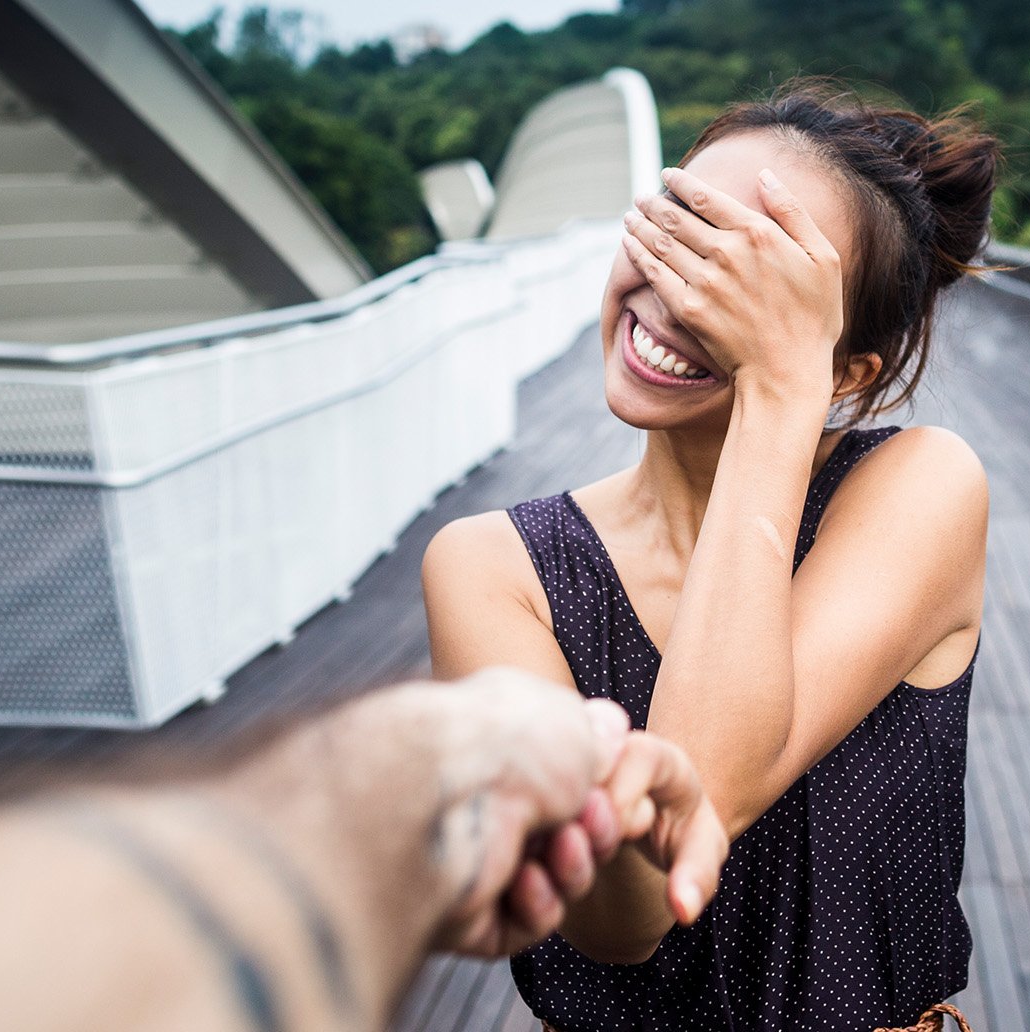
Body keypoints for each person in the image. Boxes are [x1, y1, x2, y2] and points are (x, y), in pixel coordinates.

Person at [422, 79, 998, 1031]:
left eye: (755, 278)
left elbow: (697, 805)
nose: (681, 294)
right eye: (679, 229)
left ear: (848, 371)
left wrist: (780, 389)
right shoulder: (493, 569)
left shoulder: (920, 489)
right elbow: (627, 920)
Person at [0, 669, 729, 1032]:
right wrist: (474, 748)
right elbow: (630, 923)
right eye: (673, 214)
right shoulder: (494, 551)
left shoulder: (900, 474)